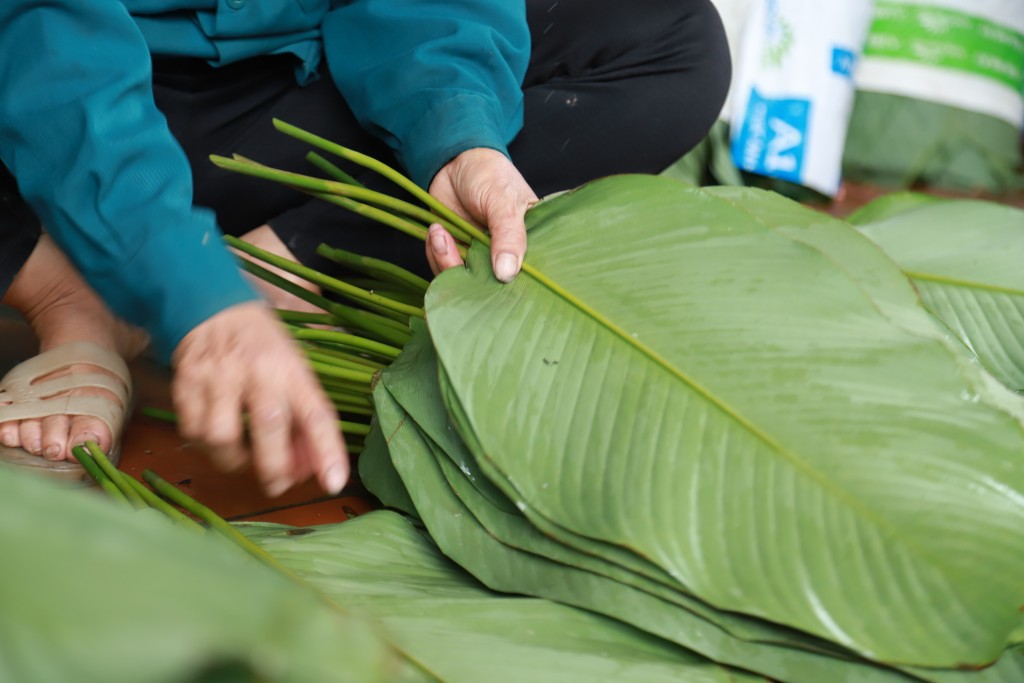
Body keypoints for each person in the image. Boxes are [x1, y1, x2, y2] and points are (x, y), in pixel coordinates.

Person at [0, 1, 730, 496]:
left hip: (293, 86)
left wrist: (457, 135)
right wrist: (186, 290)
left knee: (669, 37)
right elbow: (49, 48)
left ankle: (282, 265)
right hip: (56, 100)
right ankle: (72, 292)